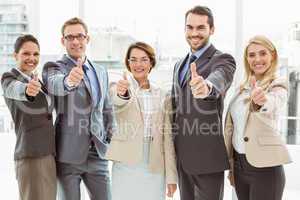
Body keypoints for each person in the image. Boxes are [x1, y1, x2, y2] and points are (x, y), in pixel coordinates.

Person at [42, 17, 115, 200]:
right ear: (63, 41)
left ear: (87, 39)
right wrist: (69, 81)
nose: (75, 41)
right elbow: (55, 84)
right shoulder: (54, 68)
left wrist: (108, 137)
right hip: (68, 156)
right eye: (70, 37)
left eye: (80, 36)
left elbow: (106, 109)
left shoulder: (100, 71)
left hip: (98, 154)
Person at [170, 5, 236, 200]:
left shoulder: (222, 59)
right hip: (183, 156)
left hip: (207, 159)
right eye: (189, 27)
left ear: (212, 29)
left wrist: (206, 87)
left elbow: (219, 78)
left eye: (201, 28)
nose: (194, 33)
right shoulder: (179, 64)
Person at [105, 42, 178, 200]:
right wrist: (122, 92)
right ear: (128, 63)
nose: (138, 64)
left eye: (144, 59)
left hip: (154, 164)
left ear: (151, 62)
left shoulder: (162, 94)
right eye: (134, 59)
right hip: (126, 162)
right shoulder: (119, 87)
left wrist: (171, 177)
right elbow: (118, 100)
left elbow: (167, 138)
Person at [224, 35, 292, 200]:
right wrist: (232, 166)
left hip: (265, 168)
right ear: (247, 59)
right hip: (240, 166)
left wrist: (262, 101)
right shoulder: (242, 88)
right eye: (252, 55)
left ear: (272, 56)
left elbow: (274, 101)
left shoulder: (278, 84)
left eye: (263, 53)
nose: (257, 59)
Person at [1, 34, 56, 200]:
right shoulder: (9, 78)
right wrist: (27, 90)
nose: (31, 58)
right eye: (26, 53)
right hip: (31, 155)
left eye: (36, 54)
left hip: (48, 153)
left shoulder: (38, 81)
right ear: (15, 55)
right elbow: (16, 89)